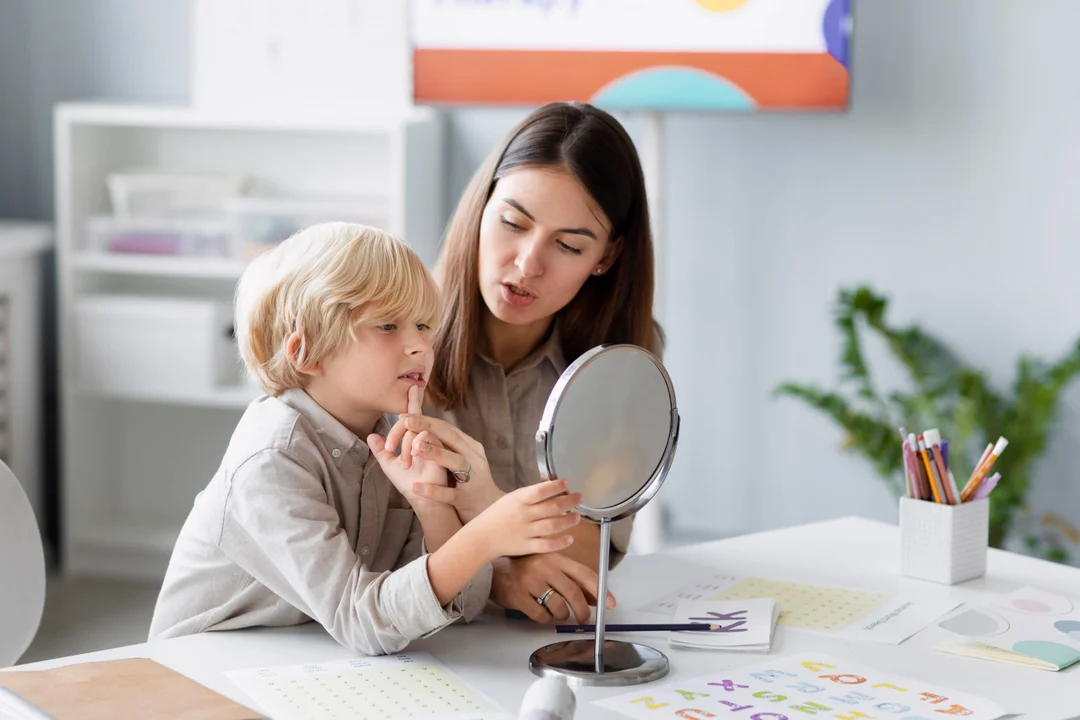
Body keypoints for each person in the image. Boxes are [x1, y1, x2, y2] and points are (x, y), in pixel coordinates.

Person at [148, 222, 582, 654]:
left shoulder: (391, 438)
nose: (420, 346)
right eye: (388, 326)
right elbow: (364, 621)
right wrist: (485, 535)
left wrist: (433, 507)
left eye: (424, 325)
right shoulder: (271, 459)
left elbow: (461, 604)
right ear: (308, 353)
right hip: (204, 672)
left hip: (303, 660)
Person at [398, 101, 663, 625]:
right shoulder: (396, 333)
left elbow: (592, 553)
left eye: (568, 245)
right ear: (482, 205)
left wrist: (484, 517)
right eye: (513, 222)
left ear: (605, 258)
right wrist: (499, 576)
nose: (526, 264)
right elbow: (372, 549)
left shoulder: (624, 361)